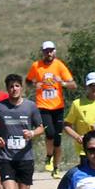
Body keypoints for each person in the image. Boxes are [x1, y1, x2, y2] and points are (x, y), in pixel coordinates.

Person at [25, 40, 75, 179]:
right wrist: (36, 84)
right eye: (46, 51)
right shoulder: (37, 66)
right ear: (43, 52)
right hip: (43, 106)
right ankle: (48, 156)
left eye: (51, 50)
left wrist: (62, 82)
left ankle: (56, 167)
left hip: (58, 106)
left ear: (55, 51)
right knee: (50, 133)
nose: (49, 53)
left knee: (58, 140)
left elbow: (73, 84)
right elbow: (28, 82)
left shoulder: (59, 65)